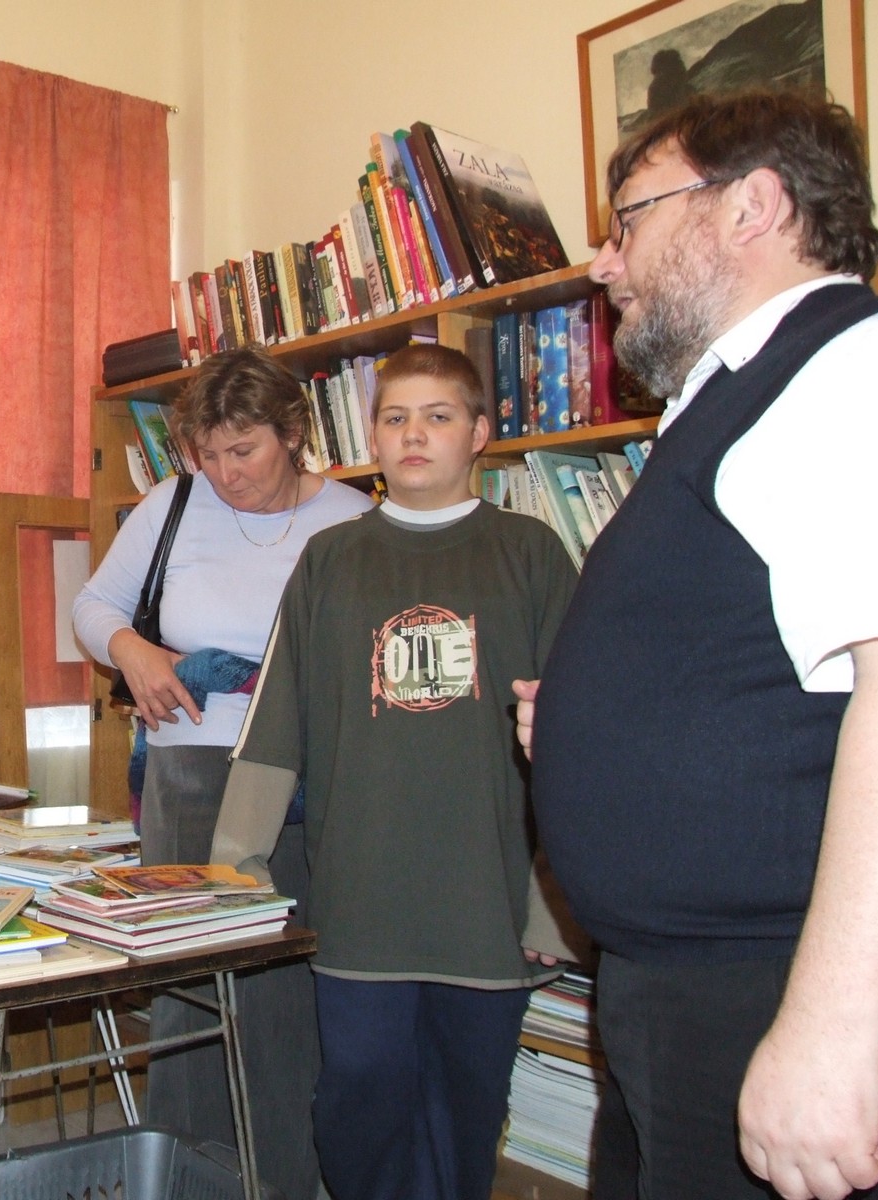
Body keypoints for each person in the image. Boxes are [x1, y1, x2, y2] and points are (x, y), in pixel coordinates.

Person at [514, 89, 878, 1200]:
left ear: (752, 205)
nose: (604, 263)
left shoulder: (861, 362)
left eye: (628, 219)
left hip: (778, 989)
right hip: (682, 992)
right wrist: (601, 726)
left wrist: (831, 1032)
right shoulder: (733, 398)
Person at [207, 343, 579, 1200]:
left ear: (478, 433)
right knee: (357, 1098)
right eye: (395, 417)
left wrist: (558, 901)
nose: (414, 435)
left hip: (489, 906)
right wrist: (237, 867)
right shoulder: (331, 560)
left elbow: (576, 741)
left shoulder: (531, 554)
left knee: (466, 1113)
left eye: (438, 417)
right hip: (361, 902)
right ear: (371, 435)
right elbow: (276, 723)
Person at [72, 346, 374, 1200]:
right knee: (188, 988)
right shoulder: (171, 506)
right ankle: (184, 1179)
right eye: (208, 453)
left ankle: (284, 1182)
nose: (225, 473)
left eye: (244, 450)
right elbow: (92, 606)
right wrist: (132, 651)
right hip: (189, 775)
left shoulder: (353, 520)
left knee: (285, 991)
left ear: (292, 433)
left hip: (307, 778)